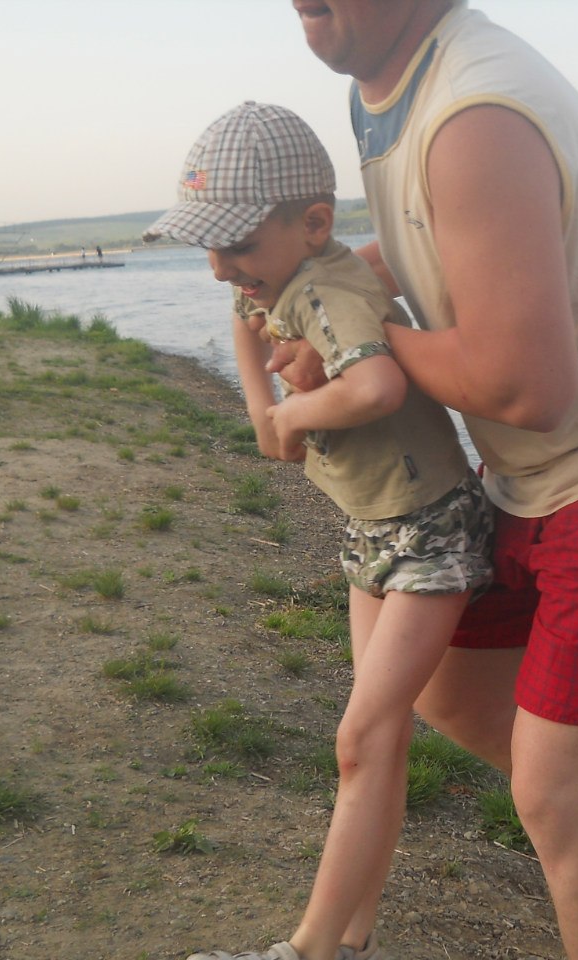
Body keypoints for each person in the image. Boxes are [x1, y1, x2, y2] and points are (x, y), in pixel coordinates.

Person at [278, 3, 578, 959]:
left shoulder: (474, 116)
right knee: (454, 688)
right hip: (540, 476)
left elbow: (521, 386)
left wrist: (364, 348)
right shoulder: (386, 84)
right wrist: (331, 308)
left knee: (558, 792)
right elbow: (432, 242)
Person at [142, 101, 494, 960]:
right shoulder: (283, 286)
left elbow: (375, 388)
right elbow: (268, 425)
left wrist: (293, 412)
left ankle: (308, 950)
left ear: (313, 224)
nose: (220, 268)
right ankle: (349, 941)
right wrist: (262, 375)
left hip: (428, 532)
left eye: (237, 245)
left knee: (363, 740)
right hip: (374, 527)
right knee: (380, 741)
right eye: (207, 247)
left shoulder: (328, 291)